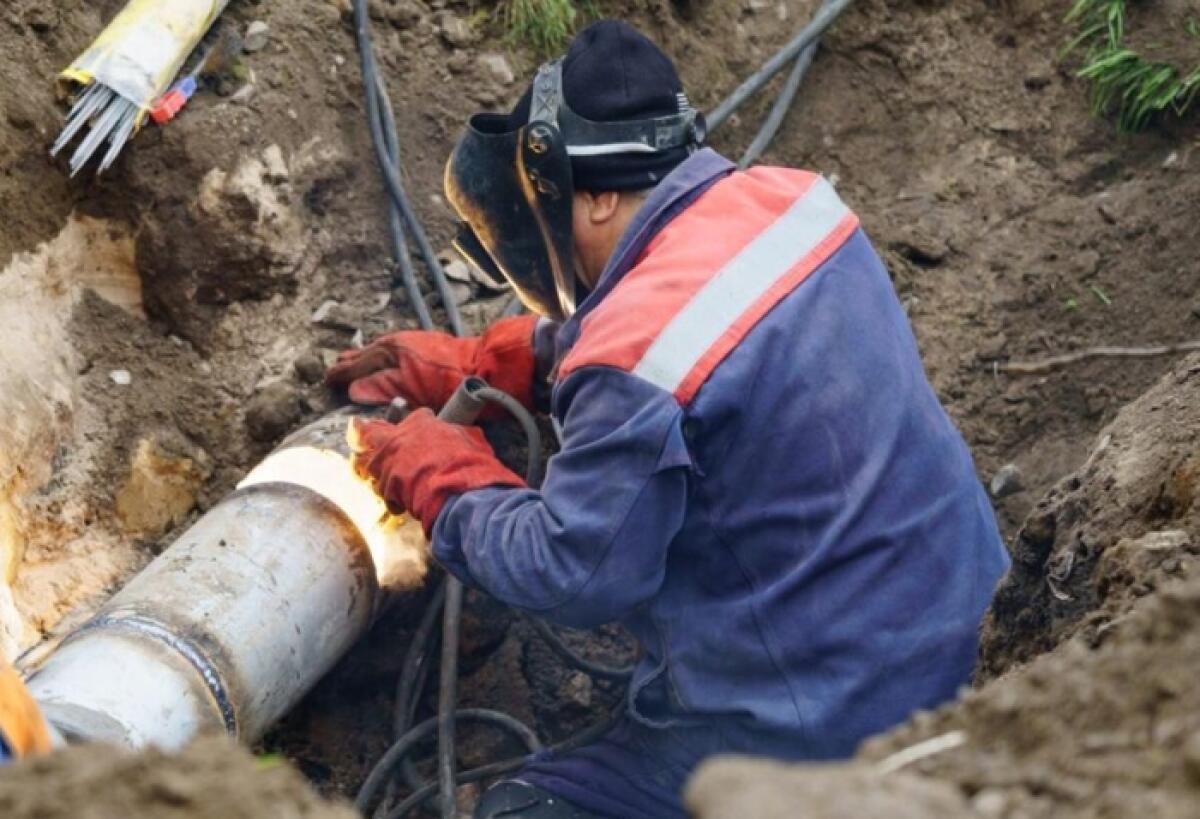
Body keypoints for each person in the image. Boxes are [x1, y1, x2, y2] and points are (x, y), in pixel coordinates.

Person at [328, 19, 1009, 819]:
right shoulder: (797, 205)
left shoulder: (634, 362)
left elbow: (571, 572)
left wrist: (445, 477)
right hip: (973, 640)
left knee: (521, 807)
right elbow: (697, 328)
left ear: (593, 197)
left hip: (826, 729)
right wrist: (518, 355)